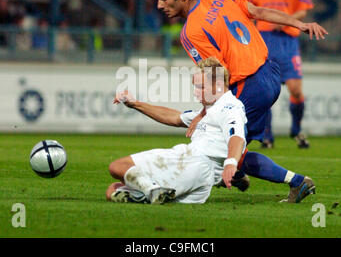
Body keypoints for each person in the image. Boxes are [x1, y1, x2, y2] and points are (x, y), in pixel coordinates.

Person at [106, 57, 315, 204]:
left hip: (194, 165)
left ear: (217, 84)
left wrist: (230, 165)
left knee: (117, 166)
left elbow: (237, 137)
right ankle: (154, 192)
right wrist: (135, 104)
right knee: (113, 190)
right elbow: (174, 117)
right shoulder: (209, 110)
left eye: (199, 86)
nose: (196, 92)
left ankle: (153, 190)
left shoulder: (229, 107)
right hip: (192, 168)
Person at [153, 0, 327, 146]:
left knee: (217, 150)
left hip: (249, 87)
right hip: (271, 73)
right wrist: (300, 24)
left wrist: (204, 113)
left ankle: (291, 175)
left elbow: (218, 74)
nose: (159, 5)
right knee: (233, 153)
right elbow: (259, 12)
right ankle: (243, 170)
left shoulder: (190, 32)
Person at [248, 0, 314, 149]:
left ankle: (296, 128)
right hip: (264, 40)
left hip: (287, 41)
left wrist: (285, 20)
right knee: (266, 90)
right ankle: (267, 136)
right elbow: (250, 11)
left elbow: (303, 10)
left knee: (295, 90)